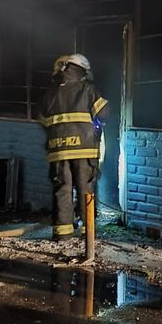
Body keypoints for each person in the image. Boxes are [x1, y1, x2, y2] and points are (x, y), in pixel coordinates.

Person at [37, 53, 108, 239]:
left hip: (58, 150)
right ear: (82, 71)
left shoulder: (49, 93)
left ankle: (62, 234)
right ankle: (88, 233)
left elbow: (43, 121)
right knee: (85, 188)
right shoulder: (88, 89)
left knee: (62, 189)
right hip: (84, 149)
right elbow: (104, 113)